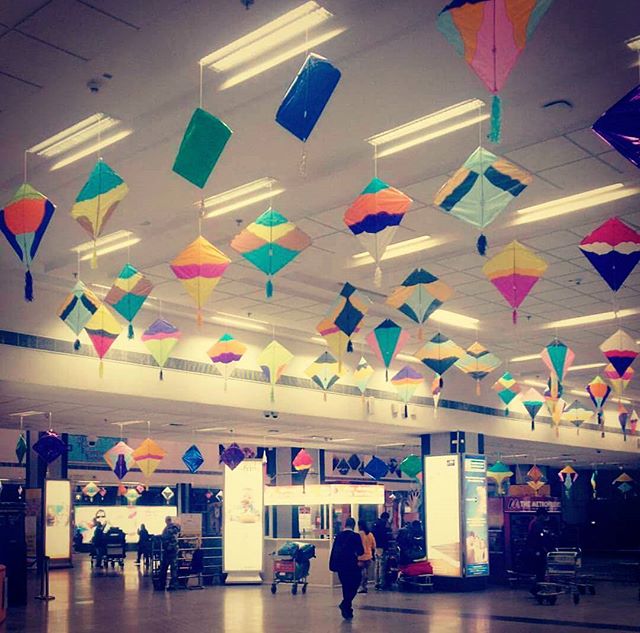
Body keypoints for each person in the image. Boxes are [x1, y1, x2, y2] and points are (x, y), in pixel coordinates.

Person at [329, 517, 364, 620]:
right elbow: (361, 551)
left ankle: (347, 609)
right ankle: (345, 604)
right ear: (354, 526)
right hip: (352, 565)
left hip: (341, 566)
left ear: (345, 525)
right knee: (355, 584)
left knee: (345, 586)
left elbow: (334, 551)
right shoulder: (356, 536)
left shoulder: (339, 536)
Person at [527, 508, 552, 583]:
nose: (545, 518)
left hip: (535, 549)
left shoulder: (534, 522)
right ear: (541, 515)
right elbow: (539, 536)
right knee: (540, 569)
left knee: (539, 569)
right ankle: (539, 586)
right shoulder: (537, 523)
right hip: (538, 550)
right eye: (544, 516)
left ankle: (539, 585)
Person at [159, 516, 181, 590]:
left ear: (167, 521)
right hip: (173, 551)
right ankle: (173, 585)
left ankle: (163, 584)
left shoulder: (169, 528)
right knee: (173, 568)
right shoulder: (174, 527)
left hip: (169, 551)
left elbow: (167, 538)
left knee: (164, 567)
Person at [372, 512, 392, 590]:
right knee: (382, 566)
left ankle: (376, 582)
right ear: (386, 518)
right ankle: (381, 583)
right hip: (381, 547)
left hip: (376, 547)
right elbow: (385, 537)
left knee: (376, 565)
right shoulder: (382, 525)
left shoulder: (375, 524)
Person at [357, 519, 376, 594]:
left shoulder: (359, 534)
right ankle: (364, 586)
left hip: (360, 557)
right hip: (369, 556)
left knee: (361, 572)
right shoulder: (370, 534)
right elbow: (374, 545)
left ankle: (361, 586)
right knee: (366, 572)